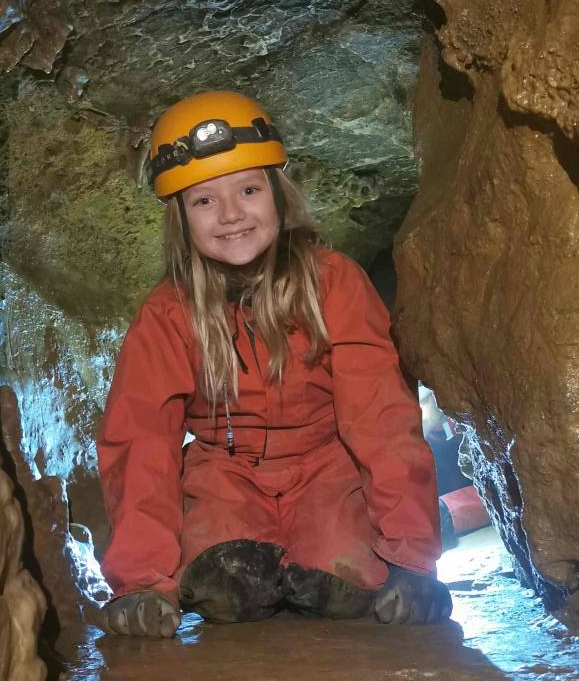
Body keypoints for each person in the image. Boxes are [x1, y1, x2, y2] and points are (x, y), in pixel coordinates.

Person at [95, 90, 451, 638]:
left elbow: (380, 419)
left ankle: (364, 554)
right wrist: (143, 582)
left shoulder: (334, 284)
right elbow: (141, 443)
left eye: (249, 189)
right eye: (204, 201)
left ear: (278, 194)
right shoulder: (167, 315)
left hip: (328, 470)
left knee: (350, 580)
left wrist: (412, 560)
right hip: (225, 476)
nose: (232, 214)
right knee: (224, 586)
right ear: (180, 218)